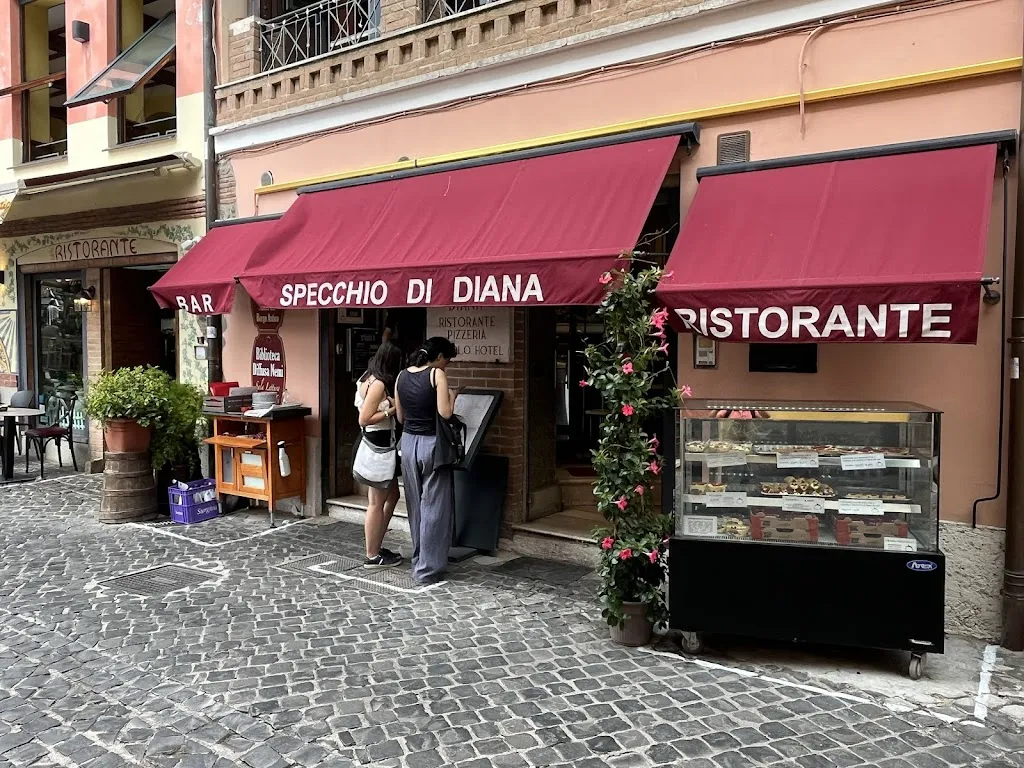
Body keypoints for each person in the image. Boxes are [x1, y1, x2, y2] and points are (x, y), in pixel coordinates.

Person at [394, 337, 460, 585]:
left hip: (408, 443)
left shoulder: (401, 376)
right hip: (432, 444)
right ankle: (428, 569)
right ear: (440, 356)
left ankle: (419, 557)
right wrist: (454, 396)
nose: (447, 365)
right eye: (447, 360)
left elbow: (400, 417)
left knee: (415, 504)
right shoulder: (436, 375)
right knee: (435, 506)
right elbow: (445, 413)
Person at [355, 338, 404, 569]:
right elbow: (364, 418)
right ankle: (372, 555)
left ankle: (377, 544)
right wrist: (391, 411)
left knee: (392, 495)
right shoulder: (378, 385)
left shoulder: (368, 376)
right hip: (378, 445)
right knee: (375, 503)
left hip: (382, 444)